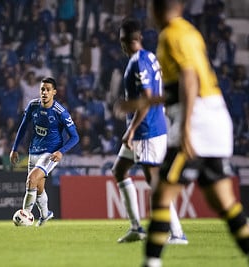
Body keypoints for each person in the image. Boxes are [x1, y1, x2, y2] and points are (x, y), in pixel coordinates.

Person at [132, 1, 249, 266]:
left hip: (197, 120)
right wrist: (146, 102)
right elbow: (180, 87)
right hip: (214, 116)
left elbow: (190, 76)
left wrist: (185, 128)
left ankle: (151, 262)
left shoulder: (170, 34)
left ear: (157, 9)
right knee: (223, 201)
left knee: (162, 194)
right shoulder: (190, 32)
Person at [112, 18, 187, 244]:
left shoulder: (137, 63)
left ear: (124, 41)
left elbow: (146, 100)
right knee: (119, 170)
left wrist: (131, 130)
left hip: (147, 130)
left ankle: (176, 233)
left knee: (154, 181)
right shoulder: (150, 57)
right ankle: (137, 228)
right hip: (150, 127)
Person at [10, 77, 79, 226]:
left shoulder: (60, 112)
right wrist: (14, 148)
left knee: (32, 179)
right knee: (39, 188)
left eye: (48, 89)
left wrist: (61, 151)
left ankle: (25, 216)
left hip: (50, 153)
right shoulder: (33, 106)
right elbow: (23, 127)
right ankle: (46, 214)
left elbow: (75, 137)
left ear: (54, 92)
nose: (44, 92)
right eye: (42, 89)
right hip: (33, 151)